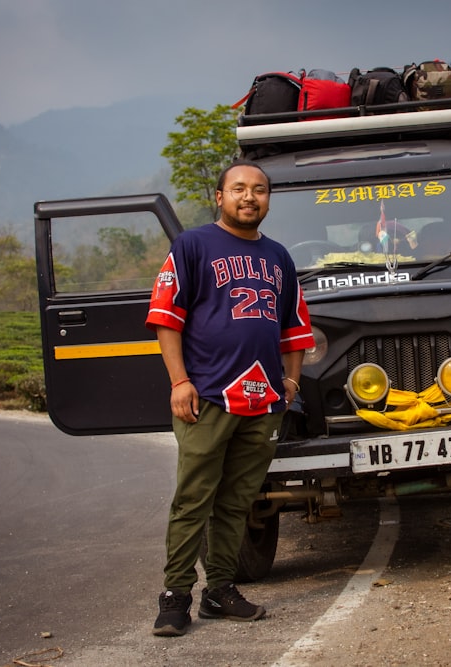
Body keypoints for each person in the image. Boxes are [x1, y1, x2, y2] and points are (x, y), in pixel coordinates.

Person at [145, 160, 314, 637]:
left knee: (237, 501)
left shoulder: (279, 257)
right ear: (218, 197)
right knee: (193, 497)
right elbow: (165, 317)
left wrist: (292, 384)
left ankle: (218, 591)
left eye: (259, 190)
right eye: (238, 188)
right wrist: (180, 382)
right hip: (208, 396)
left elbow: (295, 329)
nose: (249, 197)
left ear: (267, 200)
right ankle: (175, 595)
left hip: (263, 399)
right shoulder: (193, 245)